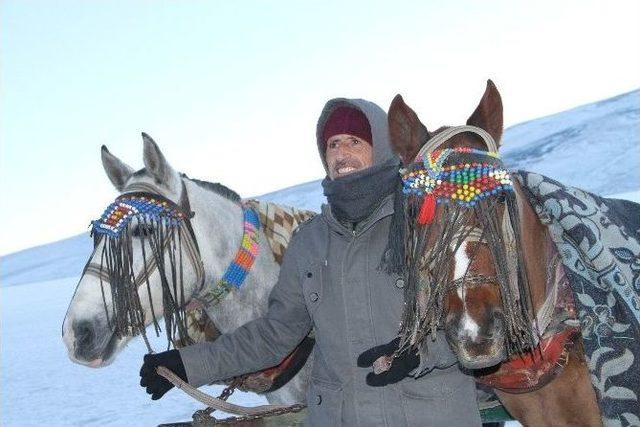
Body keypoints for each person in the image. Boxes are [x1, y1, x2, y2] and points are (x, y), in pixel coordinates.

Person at [140, 98, 482, 426]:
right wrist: (187, 364)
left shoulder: (429, 220)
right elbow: (276, 334)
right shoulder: (310, 241)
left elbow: (482, 316)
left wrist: (422, 353)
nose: (341, 153)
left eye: (354, 141)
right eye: (333, 144)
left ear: (380, 147)